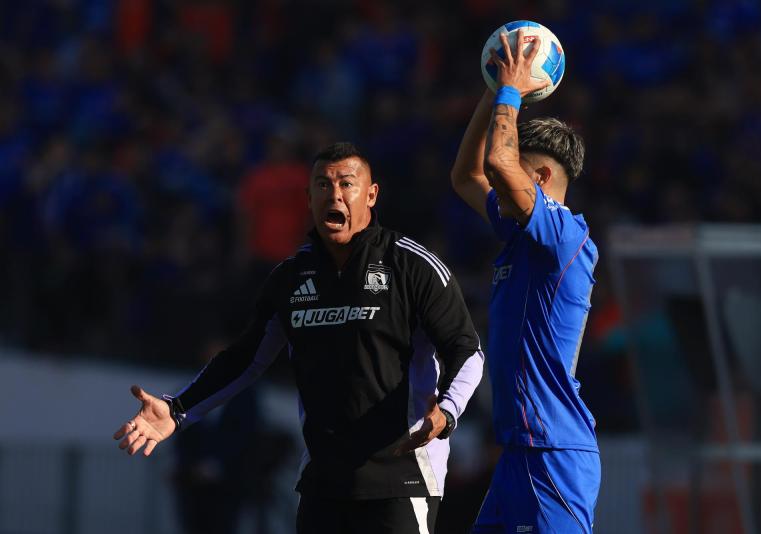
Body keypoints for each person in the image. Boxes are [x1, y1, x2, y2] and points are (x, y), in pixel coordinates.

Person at [113, 142, 485, 534]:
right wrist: (177, 409)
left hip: (401, 477)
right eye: (323, 185)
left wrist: (446, 412)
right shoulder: (289, 278)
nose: (334, 194)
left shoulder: (412, 265)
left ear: (371, 194)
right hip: (322, 482)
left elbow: (467, 350)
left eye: (347, 183)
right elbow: (244, 359)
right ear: (309, 198)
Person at [450, 33, 601, 533]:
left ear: (537, 180)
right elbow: (466, 176)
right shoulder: (521, 232)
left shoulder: (563, 234)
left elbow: (496, 162)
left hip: (554, 452)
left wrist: (512, 90)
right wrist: (493, 86)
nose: (497, 187)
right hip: (520, 451)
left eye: (512, 176)